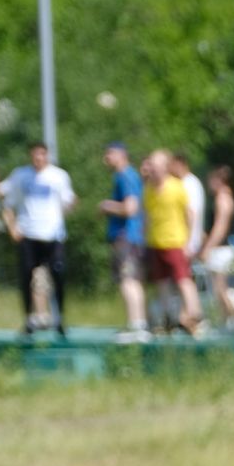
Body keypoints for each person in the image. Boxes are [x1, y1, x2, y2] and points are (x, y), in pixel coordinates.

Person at [0, 142, 75, 338]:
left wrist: (72, 205)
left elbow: (68, 201)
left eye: (42, 155)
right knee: (26, 276)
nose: (38, 159)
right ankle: (29, 319)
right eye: (35, 155)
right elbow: (1, 194)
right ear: (31, 156)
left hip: (52, 235)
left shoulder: (58, 176)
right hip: (29, 234)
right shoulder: (21, 175)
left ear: (47, 156)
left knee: (58, 275)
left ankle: (59, 318)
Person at [141, 150, 200, 336]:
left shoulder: (176, 187)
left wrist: (189, 241)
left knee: (183, 279)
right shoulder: (148, 189)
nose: (153, 170)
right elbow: (148, 215)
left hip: (175, 240)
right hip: (155, 241)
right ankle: (169, 318)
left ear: (165, 167)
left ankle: (194, 315)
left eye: (156, 166)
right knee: (161, 282)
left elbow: (190, 214)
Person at [96, 143, 149, 341]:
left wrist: (107, 206)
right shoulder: (129, 175)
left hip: (126, 236)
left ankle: (137, 326)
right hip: (133, 237)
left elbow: (131, 208)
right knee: (132, 279)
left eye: (109, 153)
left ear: (122, 155)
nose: (106, 158)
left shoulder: (125, 175)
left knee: (128, 280)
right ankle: (137, 324)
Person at [197, 165, 234, 327]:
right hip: (220, 248)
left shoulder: (223, 199)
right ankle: (226, 321)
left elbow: (221, 227)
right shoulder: (223, 198)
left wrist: (207, 247)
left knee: (219, 288)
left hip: (222, 249)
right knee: (218, 289)